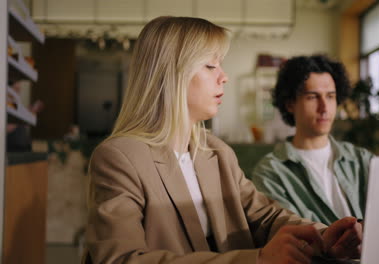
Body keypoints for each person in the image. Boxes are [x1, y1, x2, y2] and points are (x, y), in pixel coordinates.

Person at [85, 17, 362, 264]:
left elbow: (266, 217)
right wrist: (257, 259)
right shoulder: (120, 157)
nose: (224, 77)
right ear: (172, 76)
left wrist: (324, 236)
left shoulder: (216, 151)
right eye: (210, 65)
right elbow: (120, 259)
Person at [252, 55, 374, 226]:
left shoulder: (362, 159)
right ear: (290, 104)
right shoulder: (271, 173)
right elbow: (288, 233)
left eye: (330, 96)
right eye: (312, 97)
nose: (324, 108)